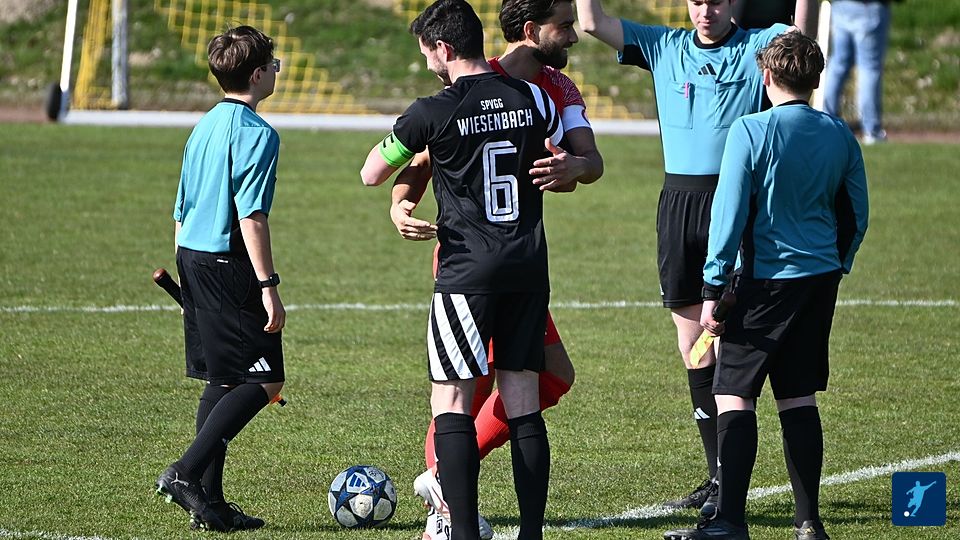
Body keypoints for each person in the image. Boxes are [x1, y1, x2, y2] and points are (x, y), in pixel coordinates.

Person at [575, 0, 815, 515]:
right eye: (698, 0)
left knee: (735, 343)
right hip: (678, 207)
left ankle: (737, 481)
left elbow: (801, 38)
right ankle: (718, 475)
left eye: (717, 0)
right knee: (694, 346)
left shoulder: (756, 45)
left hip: (735, 203)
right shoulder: (664, 45)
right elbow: (591, 23)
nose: (706, 10)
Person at [389, 0, 603, 538]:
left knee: (532, 379)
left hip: (513, 261)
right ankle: (446, 501)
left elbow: (591, 162)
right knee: (473, 388)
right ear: (531, 30)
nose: (573, 36)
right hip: (472, 263)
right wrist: (399, 202)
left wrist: (575, 166)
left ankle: (445, 485)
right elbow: (422, 157)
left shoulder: (559, 89)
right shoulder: (482, 78)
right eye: (564, 26)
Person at [664, 31, 869, 540]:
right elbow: (856, 212)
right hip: (818, 281)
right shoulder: (839, 133)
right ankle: (808, 523)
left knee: (733, 394)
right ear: (816, 79)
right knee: (798, 397)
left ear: (767, 76)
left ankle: (729, 521)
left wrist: (712, 286)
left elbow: (728, 214)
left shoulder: (751, 130)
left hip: (762, 283)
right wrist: (837, 263)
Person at [155, 25, 286, 533]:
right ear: (257, 75)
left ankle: (209, 504)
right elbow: (251, 215)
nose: (276, 72)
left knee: (223, 379)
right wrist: (268, 286)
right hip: (229, 262)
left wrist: (188, 274)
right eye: (273, 65)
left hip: (192, 256)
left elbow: (180, 208)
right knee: (266, 380)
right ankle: (185, 473)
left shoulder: (203, 125)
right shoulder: (258, 133)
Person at [823, 0, 897, 145]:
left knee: (838, 65)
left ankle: (826, 120)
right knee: (869, 68)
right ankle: (871, 130)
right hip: (869, 7)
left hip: (841, 6)